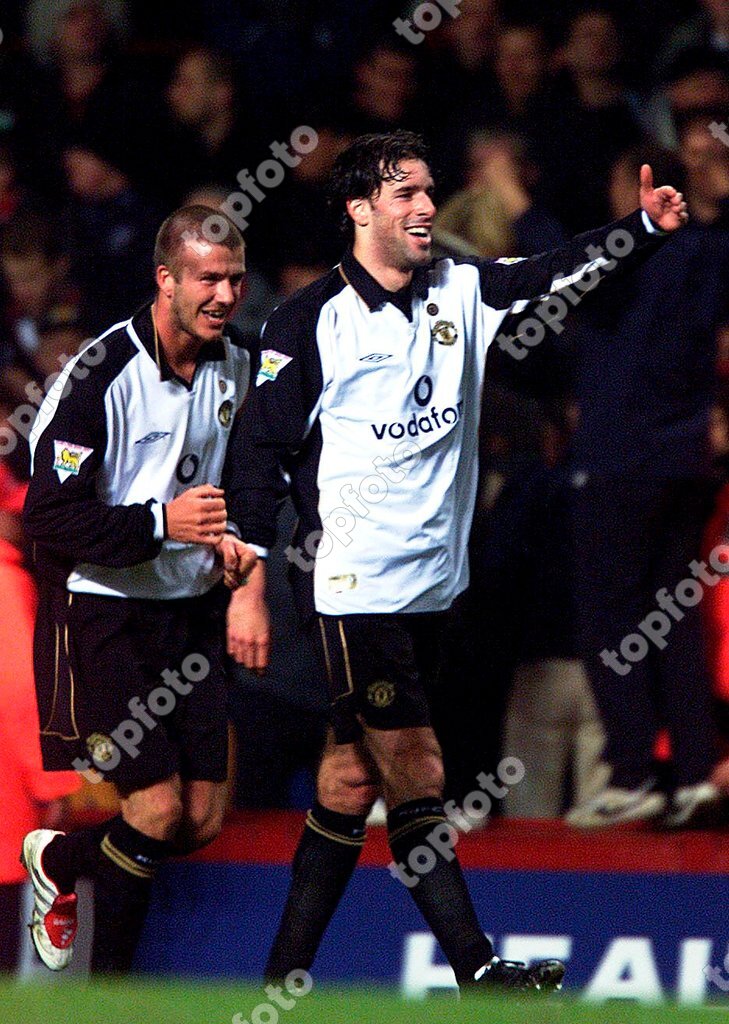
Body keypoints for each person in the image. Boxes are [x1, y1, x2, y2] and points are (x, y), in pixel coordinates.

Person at [223, 131, 687, 992]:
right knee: (419, 766)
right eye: (404, 193)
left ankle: (279, 980)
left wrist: (642, 228)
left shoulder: (461, 288)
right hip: (346, 582)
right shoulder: (306, 320)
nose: (426, 207)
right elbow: (259, 454)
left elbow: (555, 271)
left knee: (348, 775)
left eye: (429, 190)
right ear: (361, 209)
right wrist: (247, 584)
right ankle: (477, 968)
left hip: (431, 587)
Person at [20, 205, 257, 973]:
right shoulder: (97, 379)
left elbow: (248, 478)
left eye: (234, 278)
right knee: (152, 810)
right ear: (165, 280)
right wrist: (161, 524)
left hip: (188, 614)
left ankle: (61, 860)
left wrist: (234, 547)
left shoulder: (239, 365)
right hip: (103, 613)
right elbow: (49, 518)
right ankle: (112, 997)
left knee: (200, 819)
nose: (224, 295)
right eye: (206, 279)